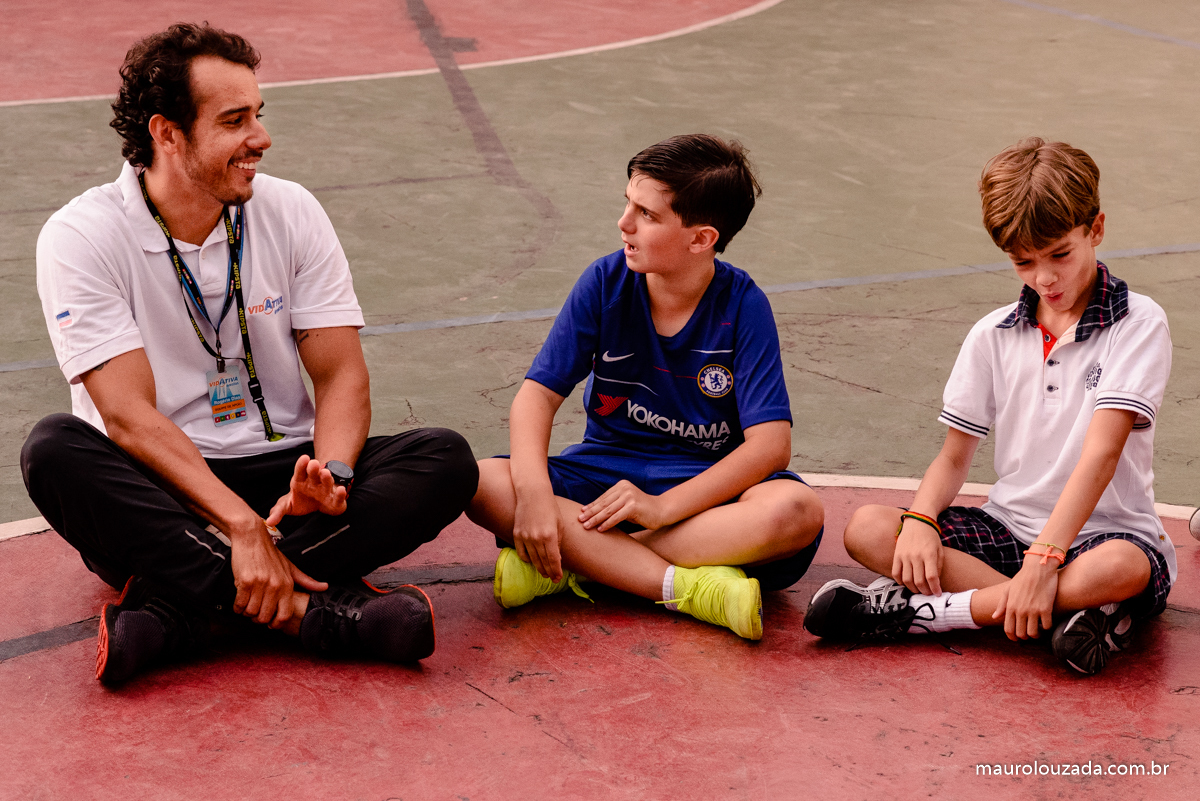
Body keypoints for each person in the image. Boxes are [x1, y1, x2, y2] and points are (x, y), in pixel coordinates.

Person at [21, 23, 478, 686]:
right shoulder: (81, 236)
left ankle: (182, 608)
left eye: (257, 115)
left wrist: (334, 478)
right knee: (55, 450)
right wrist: (237, 525)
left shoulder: (289, 210)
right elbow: (125, 417)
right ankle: (310, 614)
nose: (259, 138)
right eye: (234, 121)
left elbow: (342, 373)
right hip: (163, 489)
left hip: (284, 480)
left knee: (445, 458)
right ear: (167, 133)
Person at [803, 138, 1174, 675]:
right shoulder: (992, 334)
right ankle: (1055, 617)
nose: (1044, 278)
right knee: (870, 529)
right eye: (1023, 261)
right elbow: (954, 458)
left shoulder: (1138, 323)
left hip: (1103, 534)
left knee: (1120, 566)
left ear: (1095, 229)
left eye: (1060, 255)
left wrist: (1045, 561)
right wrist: (922, 520)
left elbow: (1102, 454)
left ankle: (933, 612)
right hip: (1006, 529)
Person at [466, 134, 824, 640]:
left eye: (648, 215)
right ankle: (696, 588)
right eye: (627, 203)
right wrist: (532, 497)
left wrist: (662, 508)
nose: (624, 223)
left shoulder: (744, 305)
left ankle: (578, 564)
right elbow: (536, 397)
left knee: (796, 511)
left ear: (701, 239)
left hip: (701, 494)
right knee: (481, 481)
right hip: (603, 478)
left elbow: (771, 446)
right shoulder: (605, 282)